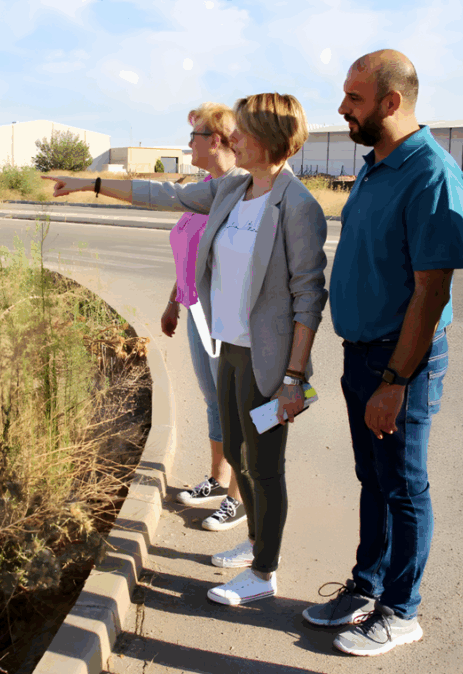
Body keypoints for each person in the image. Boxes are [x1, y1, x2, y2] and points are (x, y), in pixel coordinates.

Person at [45, 93, 328, 606]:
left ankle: (264, 573)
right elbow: (162, 194)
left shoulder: (298, 206)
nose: (233, 138)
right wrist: (91, 184)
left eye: (242, 131)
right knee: (237, 454)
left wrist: (293, 377)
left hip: (268, 360)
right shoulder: (233, 188)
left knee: (264, 466)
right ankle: (257, 544)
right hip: (231, 347)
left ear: (267, 138)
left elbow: (309, 297)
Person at [301, 49, 463, 657]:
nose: (343, 108)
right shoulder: (375, 165)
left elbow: (431, 290)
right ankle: (367, 586)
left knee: (404, 486)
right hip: (362, 355)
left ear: (391, 102)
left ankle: (402, 609)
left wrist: (396, 379)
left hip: (400, 362)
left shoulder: (432, 173)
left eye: (355, 98)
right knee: (373, 480)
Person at [162, 103, 248, 533]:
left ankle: (238, 498)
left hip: (223, 317)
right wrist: (173, 301)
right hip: (197, 310)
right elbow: (189, 256)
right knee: (213, 399)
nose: (188, 144)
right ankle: (218, 477)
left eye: (193, 136)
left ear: (215, 141)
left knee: (234, 405)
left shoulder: (236, 190)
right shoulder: (203, 189)